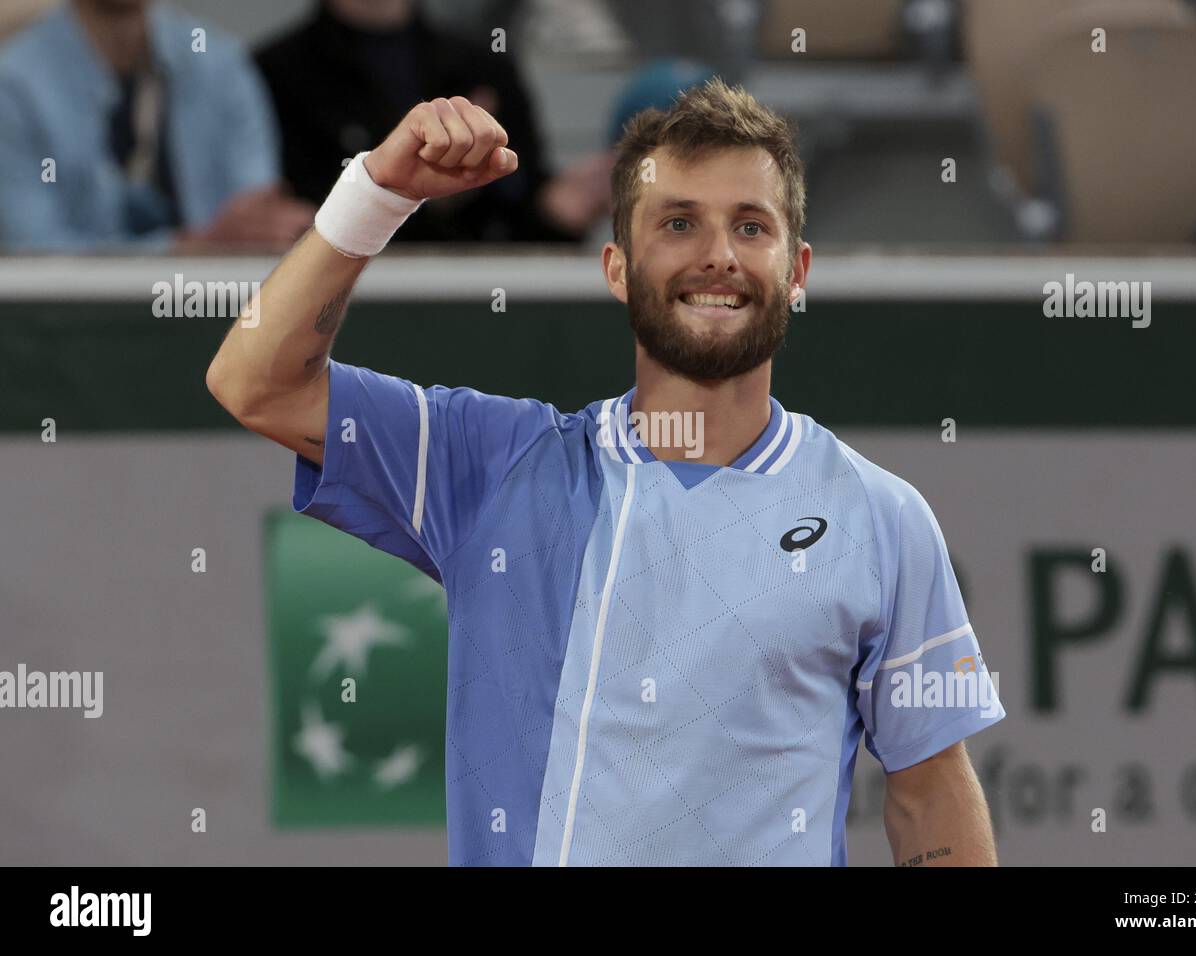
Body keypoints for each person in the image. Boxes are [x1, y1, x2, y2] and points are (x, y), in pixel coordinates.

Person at [206, 80, 1006, 867]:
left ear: (797, 271)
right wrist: (377, 194)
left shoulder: (881, 517)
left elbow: (928, 787)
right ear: (617, 267)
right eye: (680, 222)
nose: (719, 256)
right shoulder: (492, 466)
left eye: (751, 227)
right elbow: (256, 383)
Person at [255, 0, 611, 243]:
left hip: (477, 301)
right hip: (343, 301)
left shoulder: (483, 68)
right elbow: (289, 221)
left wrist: (558, 211)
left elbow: (523, 205)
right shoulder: (274, 73)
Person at [0, 0, 312, 252]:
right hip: (70, 324)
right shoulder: (15, 85)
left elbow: (255, 213)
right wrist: (190, 248)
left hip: (215, 309)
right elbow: (33, 250)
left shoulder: (220, 64)